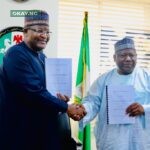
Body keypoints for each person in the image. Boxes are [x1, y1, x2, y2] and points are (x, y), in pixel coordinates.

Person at [1, 10, 86, 150]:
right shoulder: (15, 54)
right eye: (39, 30)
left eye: (47, 32)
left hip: (41, 134)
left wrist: (61, 99)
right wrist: (66, 107)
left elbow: (47, 92)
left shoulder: (42, 57)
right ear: (26, 31)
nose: (44, 36)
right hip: (20, 134)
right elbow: (33, 92)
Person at [79, 37, 150, 150]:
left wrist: (144, 109)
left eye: (132, 55)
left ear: (136, 56)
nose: (128, 59)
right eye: (122, 55)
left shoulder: (147, 77)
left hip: (140, 141)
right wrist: (83, 109)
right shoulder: (103, 80)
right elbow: (92, 102)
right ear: (114, 58)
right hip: (112, 140)